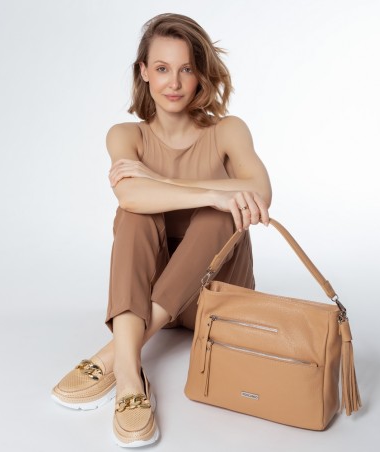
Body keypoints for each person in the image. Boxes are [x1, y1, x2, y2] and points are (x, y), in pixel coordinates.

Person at [51, 13, 272, 448]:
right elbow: (131, 197)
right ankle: (131, 379)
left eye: (186, 68)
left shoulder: (228, 130)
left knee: (220, 215)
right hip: (153, 293)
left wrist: (167, 182)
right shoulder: (125, 136)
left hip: (217, 296)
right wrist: (212, 190)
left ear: (200, 73)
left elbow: (260, 192)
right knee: (134, 215)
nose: (174, 82)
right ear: (144, 72)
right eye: (162, 68)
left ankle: (117, 354)